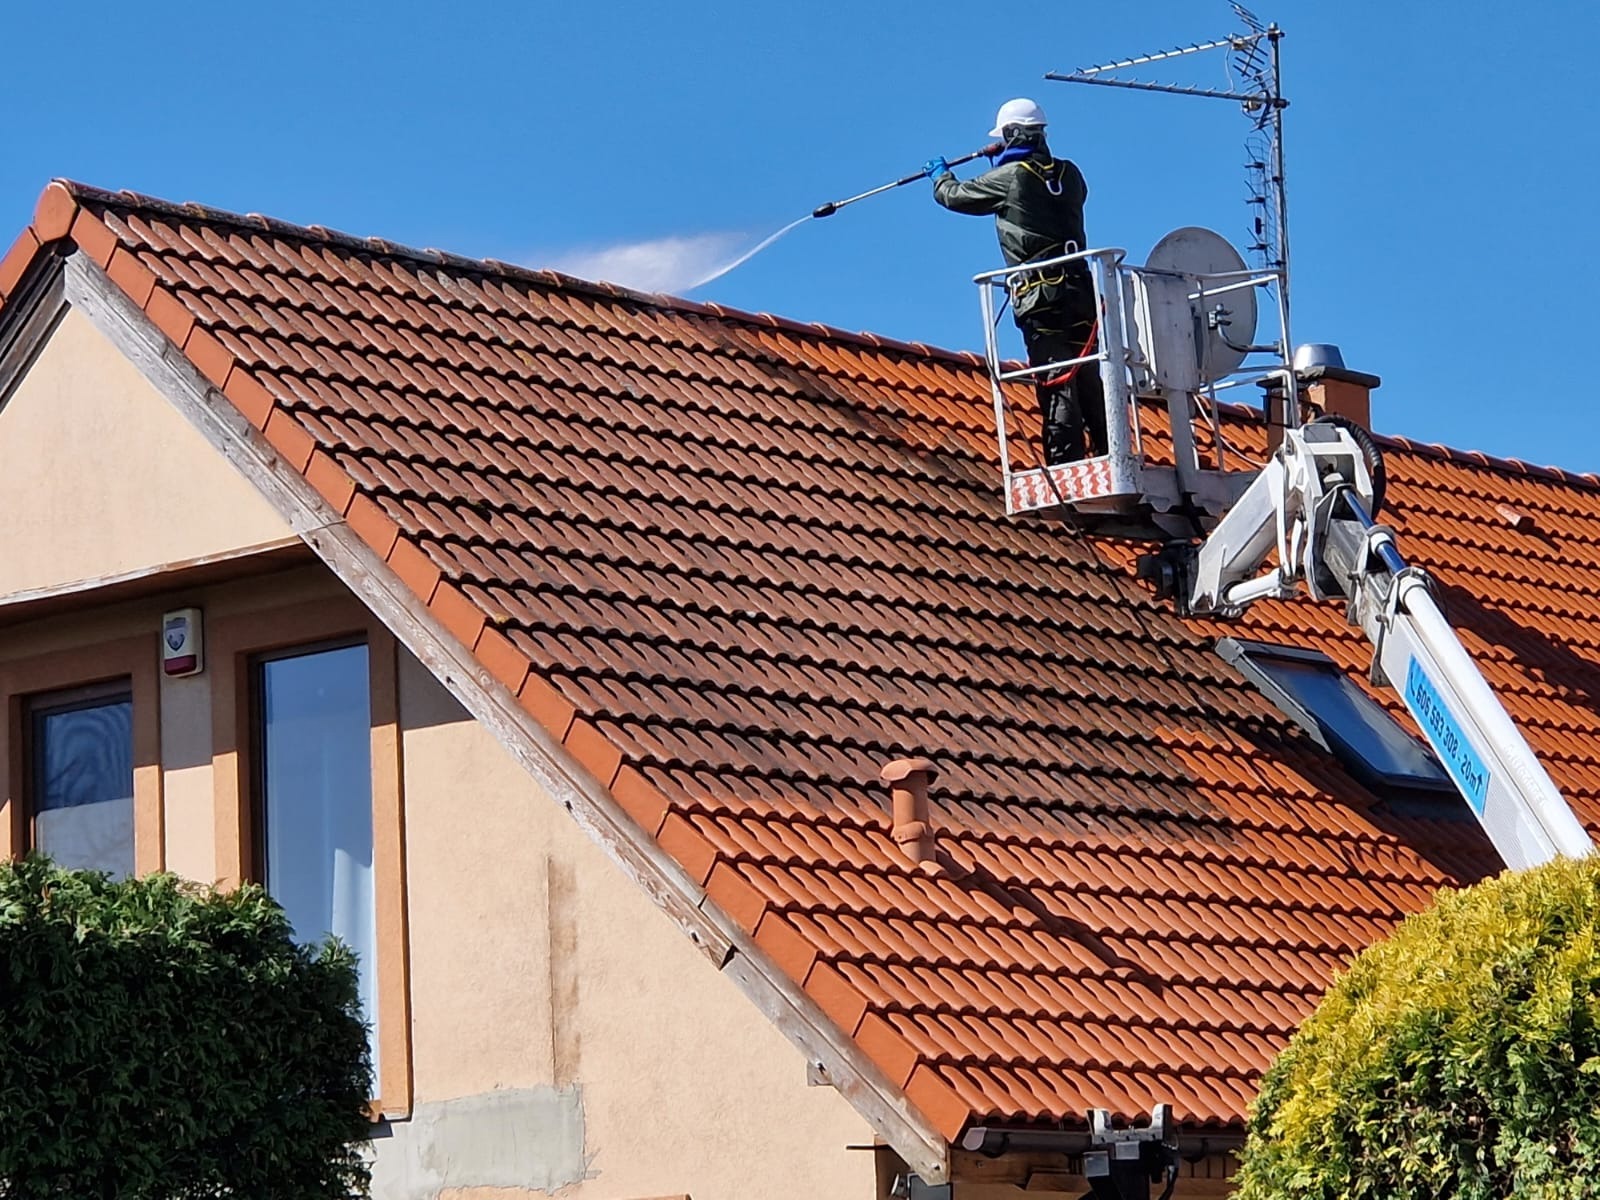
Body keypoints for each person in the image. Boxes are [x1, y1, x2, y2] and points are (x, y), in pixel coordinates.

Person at [927, 98, 1106, 465]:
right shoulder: (1071, 174)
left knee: (1056, 378)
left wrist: (940, 175)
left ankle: (1065, 465)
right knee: (1088, 375)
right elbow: (1043, 198)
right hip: (1081, 294)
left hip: (1042, 297)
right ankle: (1108, 452)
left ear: (1010, 134)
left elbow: (954, 196)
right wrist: (1007, 164)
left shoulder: (1010, 178)